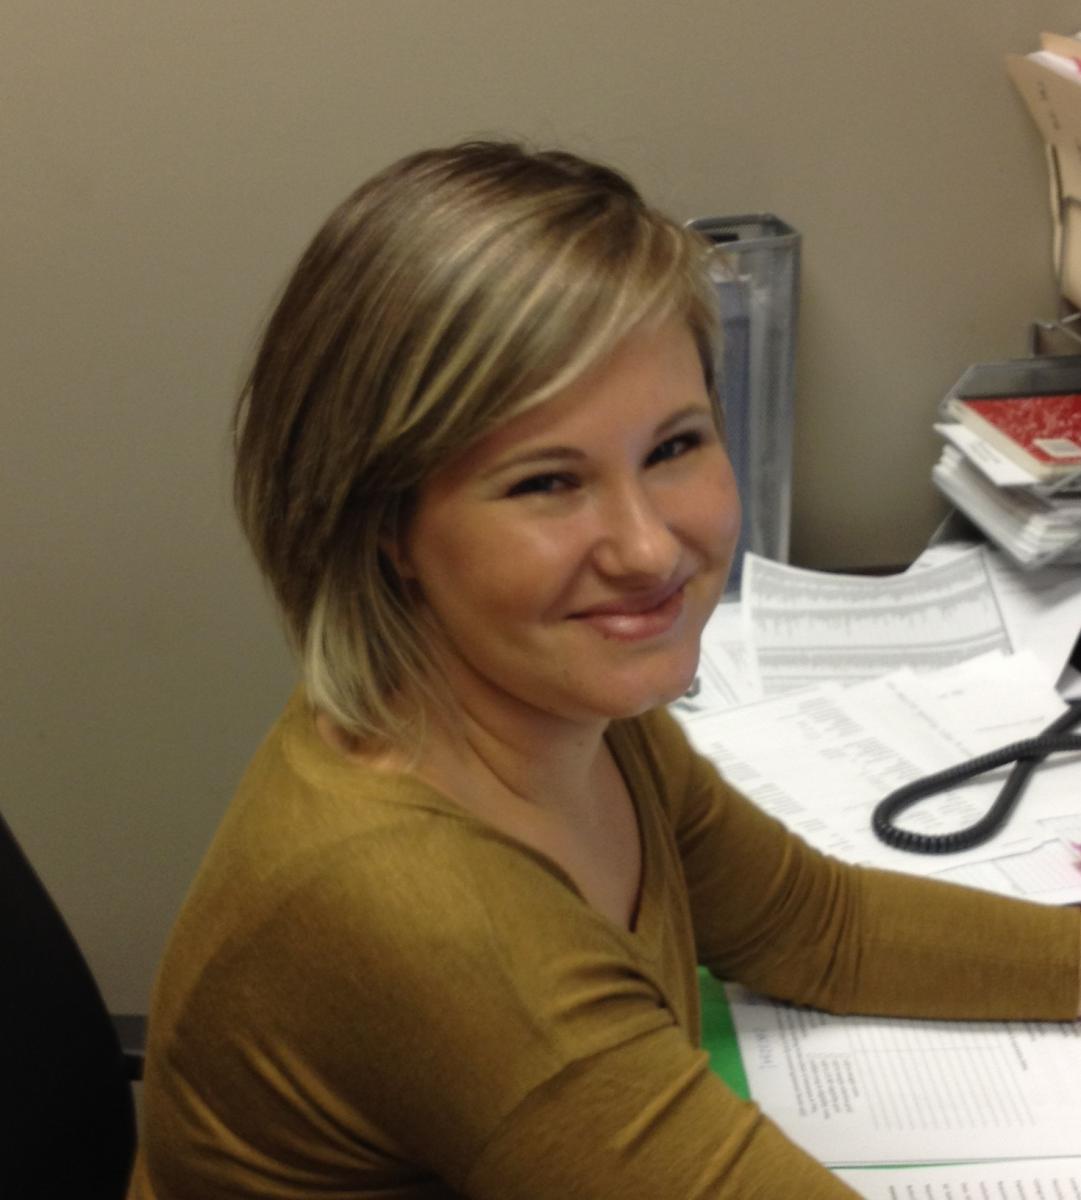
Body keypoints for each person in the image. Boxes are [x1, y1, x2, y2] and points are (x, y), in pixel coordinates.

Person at [130, 141, 1081, 1200]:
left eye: (672, 448)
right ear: (383, 526)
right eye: (545, 482)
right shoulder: (431, 915)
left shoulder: (561, 716)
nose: (645, 549)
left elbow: (818, 929)